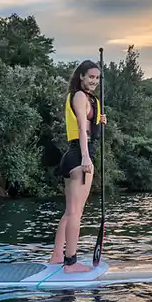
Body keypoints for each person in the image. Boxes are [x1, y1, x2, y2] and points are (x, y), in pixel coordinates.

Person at [49, 59, 107, 272]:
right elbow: (83, 129)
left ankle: (56, 256)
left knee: (70, 211)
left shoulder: (88, 98)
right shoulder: (81, 96)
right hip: (79, 157)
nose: (94, 81)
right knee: (75, 213)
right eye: (90, 77)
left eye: (97, 78)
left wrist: (99, 121)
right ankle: (70, 263)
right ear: (81, 76)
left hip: (72, 157)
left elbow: (90, 127)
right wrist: (85, 158)